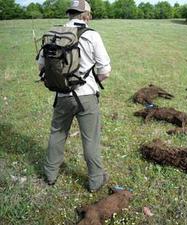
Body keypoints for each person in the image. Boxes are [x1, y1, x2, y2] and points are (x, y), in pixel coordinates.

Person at [37, 0, 111, 192]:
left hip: (62, 94)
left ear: (70, 13)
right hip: (86, 96)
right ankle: (95, 181)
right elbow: (106, 70)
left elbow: (41, 66)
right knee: (90, 139)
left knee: (57, 133)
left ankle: (50, 175)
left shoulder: (54, 34)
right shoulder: (92, 35)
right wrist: (92, 79)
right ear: (86, 15)